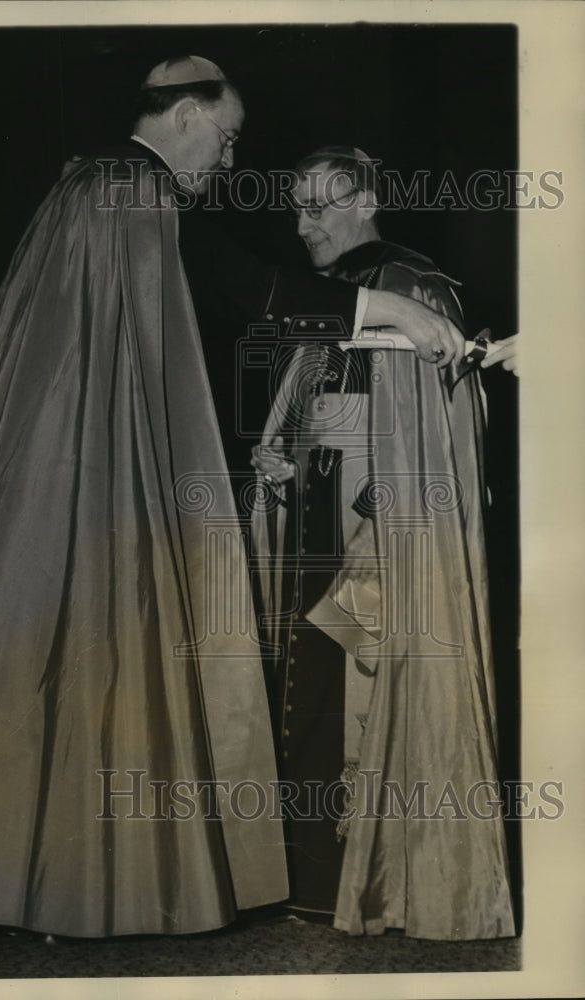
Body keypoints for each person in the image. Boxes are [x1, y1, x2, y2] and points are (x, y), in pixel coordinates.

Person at [0, 62, 466, 941]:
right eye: (225, 138)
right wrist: (395, 312)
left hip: (32, 484)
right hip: (87, 486)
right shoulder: (131, 186)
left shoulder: (78, 186)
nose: (229, 162)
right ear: (185, 114)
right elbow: (244, 292)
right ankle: (75, 887)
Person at [252, 146, 516, 938]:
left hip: (375, 529)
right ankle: (315, 887)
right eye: (295, 208)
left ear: (365, 200)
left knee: (365, 695)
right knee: (309, 695)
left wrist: (379, 496)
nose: (303, 225)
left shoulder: (408, 285)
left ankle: (380, 886)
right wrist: (277, 455)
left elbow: (438, 425)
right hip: (312, 515)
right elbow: (304, 404)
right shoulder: (328, 293)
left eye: (319, 206)